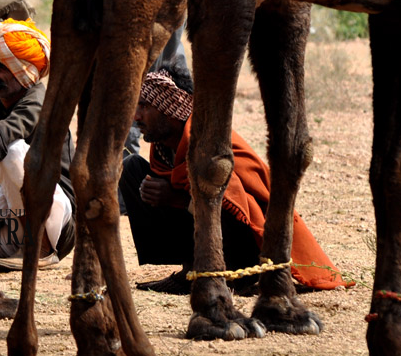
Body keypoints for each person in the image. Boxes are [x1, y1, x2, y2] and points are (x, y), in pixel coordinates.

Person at [120, 65, 352, 294]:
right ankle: (190, 269)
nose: (136, 116)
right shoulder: (163, 147)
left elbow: (238, 206)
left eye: (145, 106)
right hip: (207, 228)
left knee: (212, 190)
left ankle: (230, 273)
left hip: (248, 240)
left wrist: (176, 199)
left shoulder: (205, 144)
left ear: (170, 108)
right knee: (132, 169)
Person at [0, 17, 75, 271]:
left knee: (12, 151)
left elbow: (2, 138)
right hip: (11, 225)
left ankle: (40, 250)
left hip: (55, 223)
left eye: (1, 67)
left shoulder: (41, 103)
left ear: (24, 70)